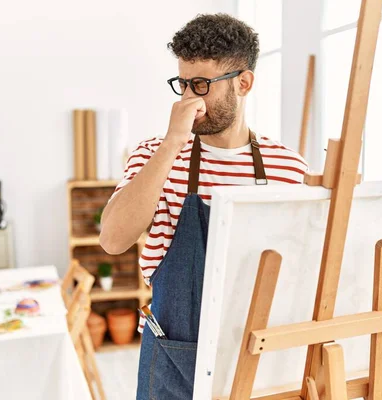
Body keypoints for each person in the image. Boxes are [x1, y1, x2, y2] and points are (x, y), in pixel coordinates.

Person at [100, 13, 308, 400]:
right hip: (174, 361)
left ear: (243, 83)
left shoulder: (289, 167)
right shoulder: (153, 155)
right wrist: (171, 143)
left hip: (263, 361)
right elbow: (112, 240)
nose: (188, 98)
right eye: (182, 84)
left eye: (200, 85)